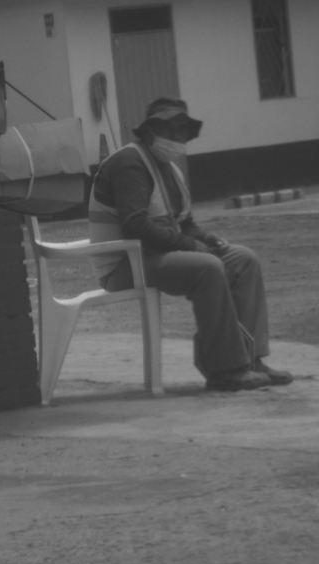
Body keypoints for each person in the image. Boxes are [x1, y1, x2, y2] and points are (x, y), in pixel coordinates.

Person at [88, 96, 293, 392]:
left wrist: (204, 237)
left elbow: (185, 224)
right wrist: (189, 245)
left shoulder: (170, 170)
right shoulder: (130, 163)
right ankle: (226, 369)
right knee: (207, 267)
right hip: (125, 264)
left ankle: (251, 360)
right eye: (171, 129)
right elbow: (134, 223)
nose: (178, 137)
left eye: (182, 131)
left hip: (156, 256)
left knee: (244, 259)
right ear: (149, 132)